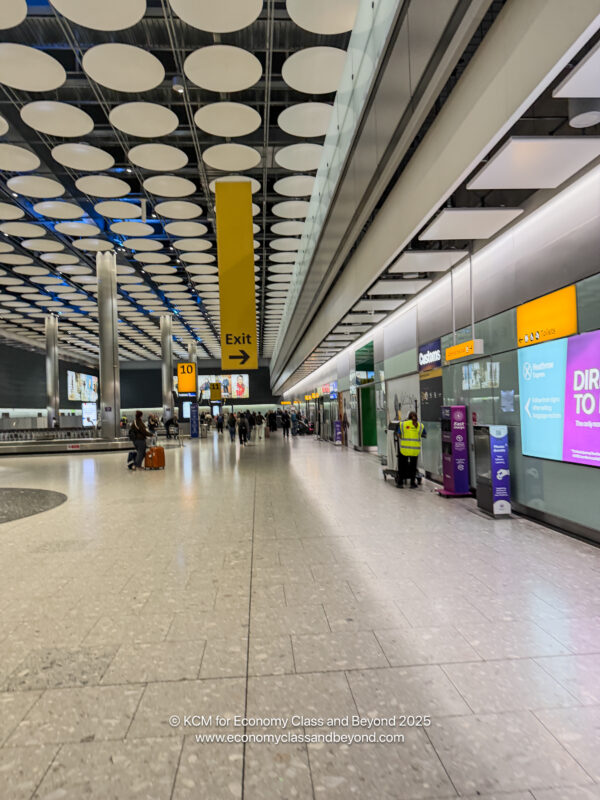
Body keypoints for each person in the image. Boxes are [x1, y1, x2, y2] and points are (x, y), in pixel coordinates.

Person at [397, 410, 426, 488]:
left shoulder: (403, 424)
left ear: (408, 417)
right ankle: (412, 483)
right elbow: (424, 434)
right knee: (413, 467)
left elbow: (399, 435)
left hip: (404, 449)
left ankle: (400, 483)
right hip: (414, 450)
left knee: (402, 466)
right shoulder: (420, 425)